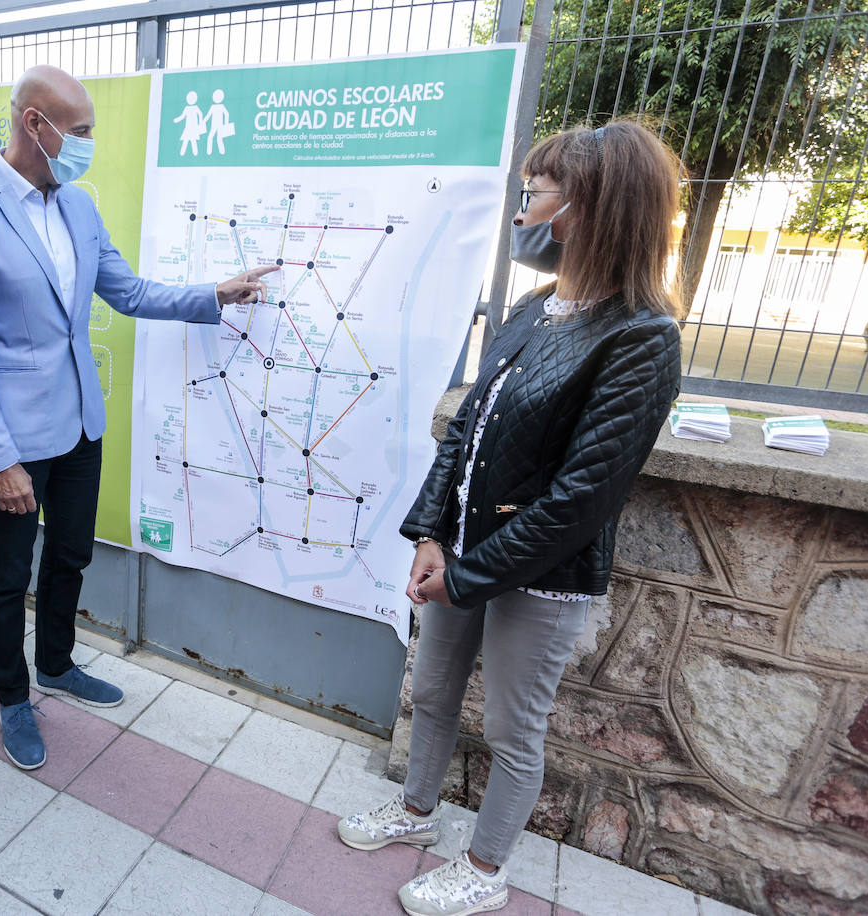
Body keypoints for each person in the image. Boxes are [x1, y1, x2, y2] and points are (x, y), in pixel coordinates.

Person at [337, 120, 683, 916]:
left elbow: (582, 498)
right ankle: (415, 815)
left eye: (536, 195)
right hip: (459, 554)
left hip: (543, 576)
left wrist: (468, 576)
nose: (523, 211)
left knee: (510, 728)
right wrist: (430, 534)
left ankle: (486, 870)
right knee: (431, 692)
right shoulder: (535, 308)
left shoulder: (641, 337)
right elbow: (464, 428)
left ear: (589, 207)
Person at [0, 65, 275, 770]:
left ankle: (55, 663)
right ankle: (14, 698)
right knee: (7, 573)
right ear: (34, 124)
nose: (87, 144)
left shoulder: (78, 205)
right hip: (15, 439)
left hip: (82, 422)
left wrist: (214, 293)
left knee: (72, 554)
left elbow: (127, 289)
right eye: (79, 132)